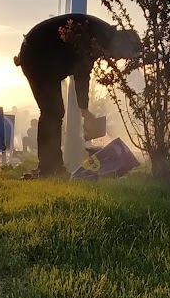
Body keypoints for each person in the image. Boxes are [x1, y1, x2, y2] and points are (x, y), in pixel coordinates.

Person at [14, 13, 140, 176]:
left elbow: (80, 69)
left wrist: (84, 110)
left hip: (45, 56)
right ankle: (48, 168)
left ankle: (52, 166)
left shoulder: (102, 35)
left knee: (54, 111)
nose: (117, 59)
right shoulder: (96, 36)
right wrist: (85, 110)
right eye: (122, 55)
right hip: (37, 55)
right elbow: (82, 73)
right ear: (122, 43)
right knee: (52, 111)